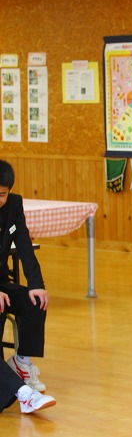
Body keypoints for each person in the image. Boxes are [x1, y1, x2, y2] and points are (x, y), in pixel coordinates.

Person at [0, 159, 50, 394]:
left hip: (3, 283)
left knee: (35, 302)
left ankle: (21, 362)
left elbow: (24, 244)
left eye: (2, 194)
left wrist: (36, 284)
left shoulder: (14, 204)